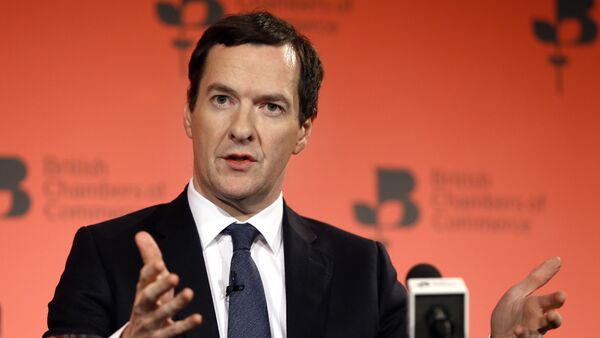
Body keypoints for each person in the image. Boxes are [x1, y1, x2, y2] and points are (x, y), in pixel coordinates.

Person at [44, 11, 566, 338]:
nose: (242, 128)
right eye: (222, 100)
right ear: (189, 113)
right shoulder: (106, 253)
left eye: (271, 107)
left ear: (303, 130)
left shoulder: (362, 269)